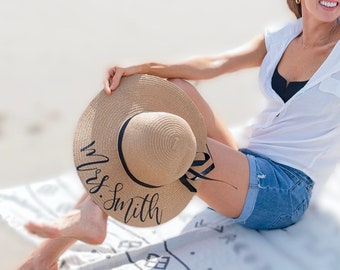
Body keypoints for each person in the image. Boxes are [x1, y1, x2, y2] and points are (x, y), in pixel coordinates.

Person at [18, 0, 340, 269]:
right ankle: (59, 245)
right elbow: (215, 62)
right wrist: (142, 68)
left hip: (283, 190)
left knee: (161, 143)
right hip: (246, 160)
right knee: (175, 90)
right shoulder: (282, 38)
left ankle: (54, 247)